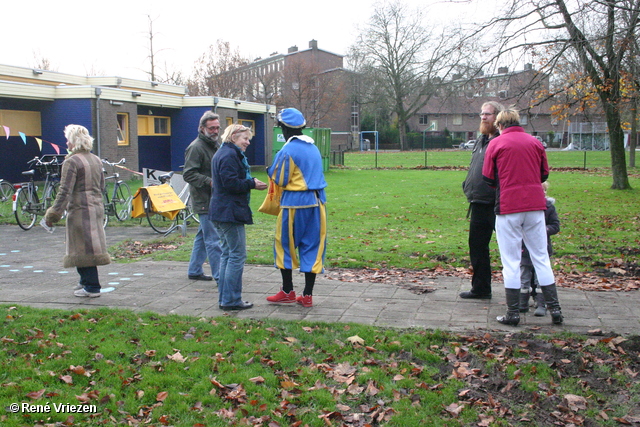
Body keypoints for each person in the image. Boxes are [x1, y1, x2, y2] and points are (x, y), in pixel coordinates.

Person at [482, 107, 563, 326]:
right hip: (536, 206)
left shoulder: (496, 144)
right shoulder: (535, 143)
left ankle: (513, 313)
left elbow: (488, 177)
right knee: (541, 257)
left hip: (508, 206)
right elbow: (543, 173)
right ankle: (555, 310)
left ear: (499, 125)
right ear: (518, 122)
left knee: (511, 261)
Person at [265, 108, 328, 308]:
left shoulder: (288, 150)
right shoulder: (313, 147)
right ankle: (307, 295)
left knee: (284, 245)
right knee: (312, 246)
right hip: (318, 203)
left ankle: (287, 291)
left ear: (284, 128)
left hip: (295, 203)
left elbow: (280, 178)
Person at [45, 124, 111, 297]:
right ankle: (84, 282)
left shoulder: (71, 161)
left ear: (74, 142)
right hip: (96, 207)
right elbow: (102, 185)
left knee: (81, 248)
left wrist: (53, 213)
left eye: (68, 139)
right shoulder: (95, 159)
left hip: (80, 209)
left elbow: (64, 190)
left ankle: (92, 286)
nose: (66, 143)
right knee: (91, 245)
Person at [209, 124, 267, 310]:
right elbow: (230, 183)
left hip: (221, 210)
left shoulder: (223, 152)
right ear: (234, 136)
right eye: (245, 138)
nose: (248, 143)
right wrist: (251, 183)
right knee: (236, 256)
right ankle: (231, 300)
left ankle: (225, 299)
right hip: (229, 212)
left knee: (227, 255)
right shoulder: (229, 155)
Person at [460, 101, 504, 300]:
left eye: (488, 114)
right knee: (477, 247)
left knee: (512, 249)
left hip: (499, 204)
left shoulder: (502, 141)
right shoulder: (481, 140)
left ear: (499, 117)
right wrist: (467, 185)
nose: (483, 117)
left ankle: (525, 292)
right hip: (477, 202)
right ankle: (481, 288)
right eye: (482, 114)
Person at [183, 111, 222, 282]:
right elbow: (188, 174)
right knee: (213, 239)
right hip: (204, 199)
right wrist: (210, 182)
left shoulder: (215, 145)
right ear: (202, 128)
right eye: (211, 128)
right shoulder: (196, 147)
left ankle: (194, 269)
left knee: (202, 235)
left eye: (217, 128)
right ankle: (221, 276)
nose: (215, 131)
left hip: (213, 197)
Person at [519, 181, 560, 316]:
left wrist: (544, 230)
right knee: (524, 275)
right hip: (524, 249)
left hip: (542, 248)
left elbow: (555, 226)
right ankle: (522, 302)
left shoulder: (548, 208)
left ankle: (541, 303)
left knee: (539, 276)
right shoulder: (523, 208)